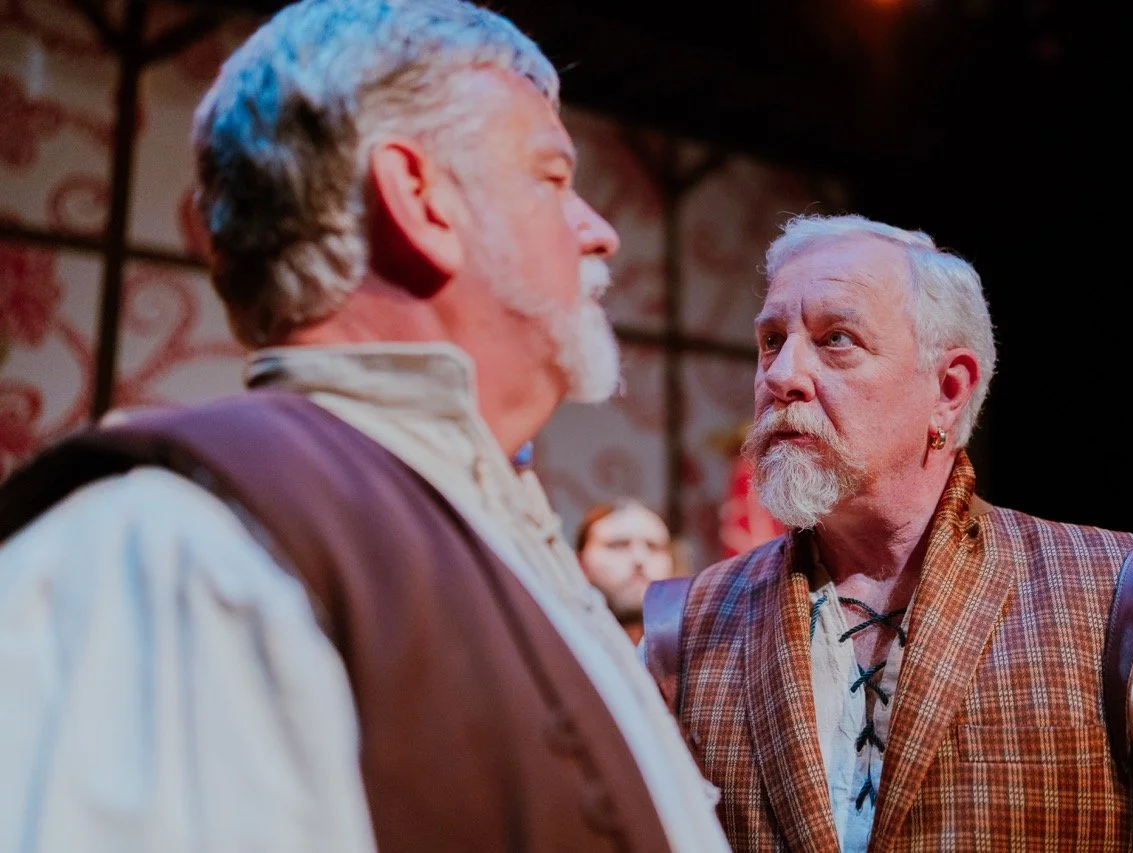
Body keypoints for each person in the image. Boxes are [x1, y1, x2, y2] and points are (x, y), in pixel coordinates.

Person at [0, 2, 731, 851]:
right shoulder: (178, 553)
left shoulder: (509, 540)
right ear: (419, 199)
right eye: (552, 177)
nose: (599, 231)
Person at [642, 212, 1133, 851]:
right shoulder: (685, 627)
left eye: (836, 339)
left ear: (948, 390)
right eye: (773, 340)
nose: (782, 377)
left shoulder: (1128, 601)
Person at [576, 498, 678, 644]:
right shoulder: (558, 647)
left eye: (653, 546)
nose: (639, 558)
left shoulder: (698, 656)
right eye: (618, 545)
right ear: (580, 563)